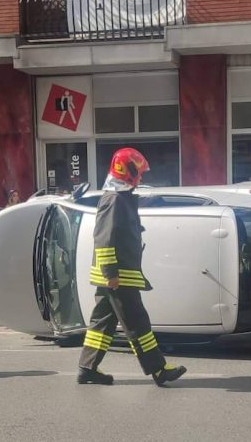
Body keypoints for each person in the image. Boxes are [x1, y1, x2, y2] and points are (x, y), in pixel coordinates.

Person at [77, 148, 186, 386]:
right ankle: (159, 370)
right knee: (137, 322)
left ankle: (87, 368)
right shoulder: (115, 199)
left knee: (102, 324)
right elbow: (104, 238)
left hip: (117, 275)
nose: (141, 178)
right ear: (127, 171)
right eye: (138, 172)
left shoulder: (119, 197)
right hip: (119, 276)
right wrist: (111, 274)